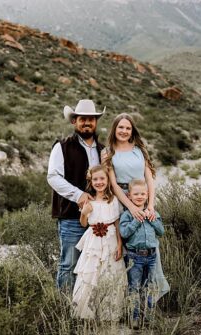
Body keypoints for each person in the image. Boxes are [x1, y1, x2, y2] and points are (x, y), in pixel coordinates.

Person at [48, 99, 105, 290]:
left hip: (99, 218)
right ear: (74, 121)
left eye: (91, 119)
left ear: (96, 122)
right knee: (69, 265)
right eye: (83, 119)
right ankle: (65, 310)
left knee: (95, 264)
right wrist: (78, 195)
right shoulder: (62, 146)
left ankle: (87, 309)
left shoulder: (103, 150)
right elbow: (53, 177)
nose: (87, 122)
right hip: (71, 217)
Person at [71, 165, 127, 320]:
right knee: (90, 273)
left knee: (109, 272)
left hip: (110, 239)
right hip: (93, 241)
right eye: (95, 179)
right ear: (91, 181)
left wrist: (120, 245)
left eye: (102, 178)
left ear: (108, 180)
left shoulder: (114, 200)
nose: (99, 182)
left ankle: (108, 314)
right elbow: (83, 224)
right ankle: (86, 312)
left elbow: (116, 223)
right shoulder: (88, 200)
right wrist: (84, 213)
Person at [119, 178, 168, 327]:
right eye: (136, 194)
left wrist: (152, 218)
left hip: (152, 256)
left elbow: (161, 231)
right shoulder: (127, 215)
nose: (139, 197)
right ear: (129, 196)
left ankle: (149, 317)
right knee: (134, 286)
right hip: (135, 257)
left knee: (151, 286)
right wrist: (137, 219)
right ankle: (134, 318)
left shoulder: (153, 213)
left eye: (143, 194)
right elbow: (124, 233)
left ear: (147, 195)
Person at [103, 113, 158, 221]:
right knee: (122, 234)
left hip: (141, 198)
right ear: (114, 128)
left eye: (128, 128)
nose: (124, 131)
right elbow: (113, 184)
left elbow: (149, 179)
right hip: (119, 200)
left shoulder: (140, 150)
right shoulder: (106, 153)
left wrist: (151, 205)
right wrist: (131, 207)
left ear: (132, 131)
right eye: (121, 127)